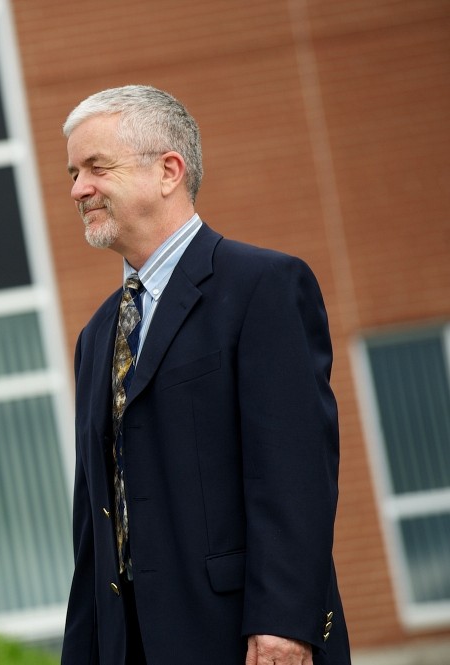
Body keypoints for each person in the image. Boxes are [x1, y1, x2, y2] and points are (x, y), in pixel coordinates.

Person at [60, 85, 350, 664]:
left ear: (169, 170)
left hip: (244, 637)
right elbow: (97, 520)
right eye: (72, 173)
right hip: (128, 645)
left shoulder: (263, 286)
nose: (78, 190)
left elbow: (294, 470)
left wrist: (284, 622)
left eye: (96, 168)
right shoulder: (97, 336)